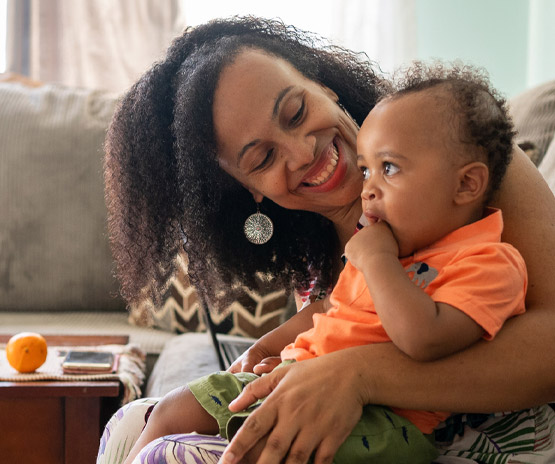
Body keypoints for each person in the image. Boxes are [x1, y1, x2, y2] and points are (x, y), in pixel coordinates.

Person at [99, 16, 555, 464]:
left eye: (296, 112)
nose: (303, 152)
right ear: (251, 189)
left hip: (484, 439)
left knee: (168, 454)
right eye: (263, 158)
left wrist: (356, 375)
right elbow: (336, 324)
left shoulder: (459, 160)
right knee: (134, 421)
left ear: (324, 85)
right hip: (359, 430)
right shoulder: (316, 244)